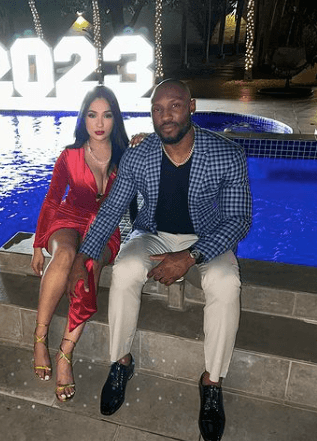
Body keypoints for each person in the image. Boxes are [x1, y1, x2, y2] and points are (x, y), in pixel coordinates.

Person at [69, 79, 252, 441]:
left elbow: (239, 219)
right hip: (153, 234)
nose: (166, 116)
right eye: (157, 109)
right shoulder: (139, 154)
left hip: (204, 238)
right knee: (125, 269)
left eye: (175, 106)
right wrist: (84, 255)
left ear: (192, 106)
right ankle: (121, 361)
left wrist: (190, 256)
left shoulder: (226, 154)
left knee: (227, 283)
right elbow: (112, 209)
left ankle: (212, 381)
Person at [31, 85, 129, 402]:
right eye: (92, 115)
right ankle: (40, 337)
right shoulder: (69, 155)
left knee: (88, 265)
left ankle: (65, 353)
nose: (99, 123)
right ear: (83, 119)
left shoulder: (127, 156)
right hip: (69, 217)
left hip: (105, 227)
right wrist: (37, 244)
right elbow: (51, 199)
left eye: (107, 115)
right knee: (64, 256)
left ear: (115, 119)